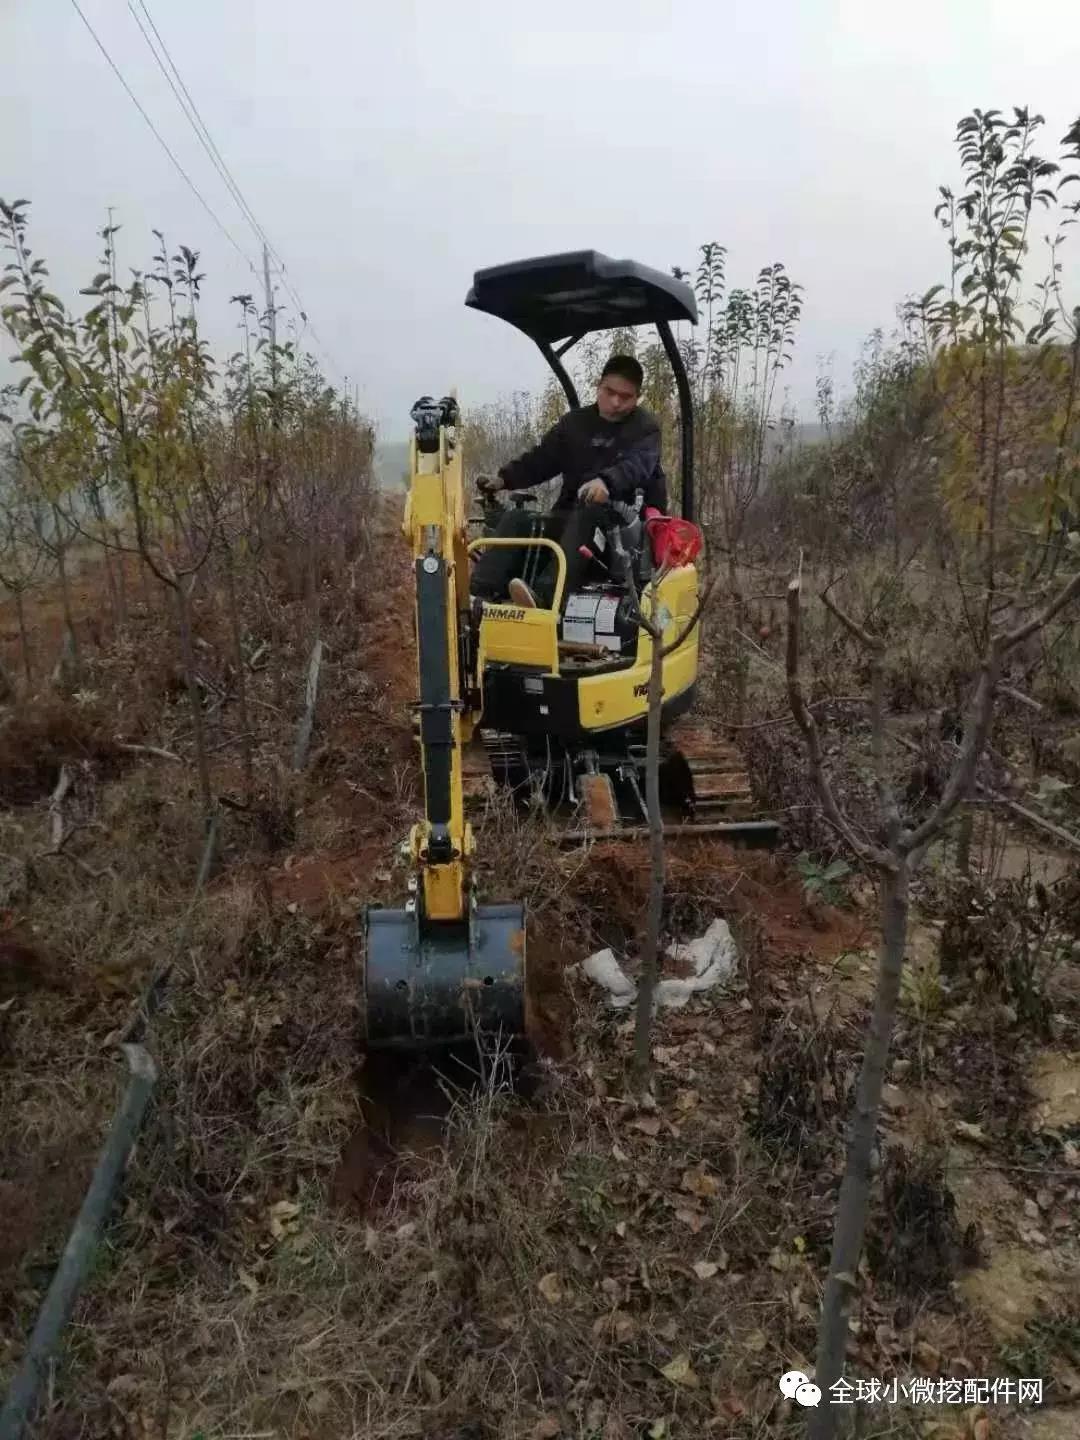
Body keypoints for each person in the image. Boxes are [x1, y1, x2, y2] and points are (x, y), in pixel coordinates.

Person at [469, 354, 667, 609]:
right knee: (519, 519)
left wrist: (606, 483)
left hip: (619, 536)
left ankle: (544, 600)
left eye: (626, 397)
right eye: (610, 392)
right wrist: (504, 479)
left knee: (589, 513)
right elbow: (542, 459)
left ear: (637, 397)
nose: (616, 402)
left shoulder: (645, 429)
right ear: (599, 386)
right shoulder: (575, 425)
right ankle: (478, 596)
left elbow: (637, 465)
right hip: (571, 521)